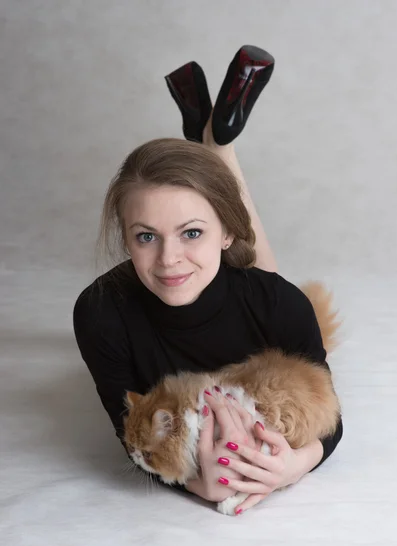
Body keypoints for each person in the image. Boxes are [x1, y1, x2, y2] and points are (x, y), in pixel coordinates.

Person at [73, 109, 343, 515]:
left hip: (257, 306)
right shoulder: (99, 313)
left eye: (192, 232)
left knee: (267, 286)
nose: (168, 259)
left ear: (227, 232)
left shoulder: (278, 303)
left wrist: (293, 466)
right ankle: (213, 149)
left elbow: (332, 417)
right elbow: (130, 438)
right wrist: (199, 485)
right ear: (126, 239)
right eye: (146, 236)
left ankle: (219, 148)